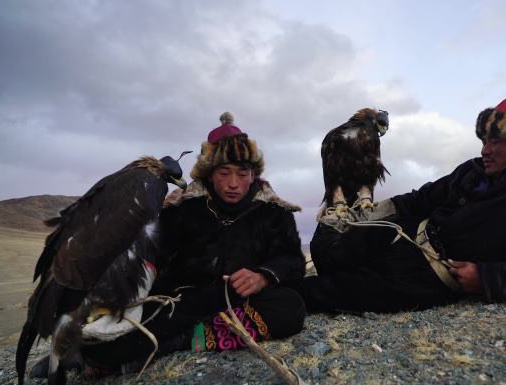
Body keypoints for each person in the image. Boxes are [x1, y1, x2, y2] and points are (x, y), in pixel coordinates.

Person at [30, 113, 307, 377]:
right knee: (109, 339)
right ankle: (92, 351)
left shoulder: (274, 213)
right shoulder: (180, 209)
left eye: (242, 173)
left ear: (253, 174)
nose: (234, 183)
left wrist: (262, 276)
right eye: (224, 173)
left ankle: (178, 342)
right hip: (180, 301)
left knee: (291, 307)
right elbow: (153, 258)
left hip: (240, 299)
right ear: (209, 173)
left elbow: (293, 261)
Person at [290, 98, 506, 313]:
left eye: (494, 141)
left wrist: (490, 278)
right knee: (328, 248)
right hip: (407, 235)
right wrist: (368, 214)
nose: (484, 150)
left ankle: (256, 307)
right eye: (483, 140)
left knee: (326, 292)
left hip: (429, 277)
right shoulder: (477, 169)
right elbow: (424, 198)